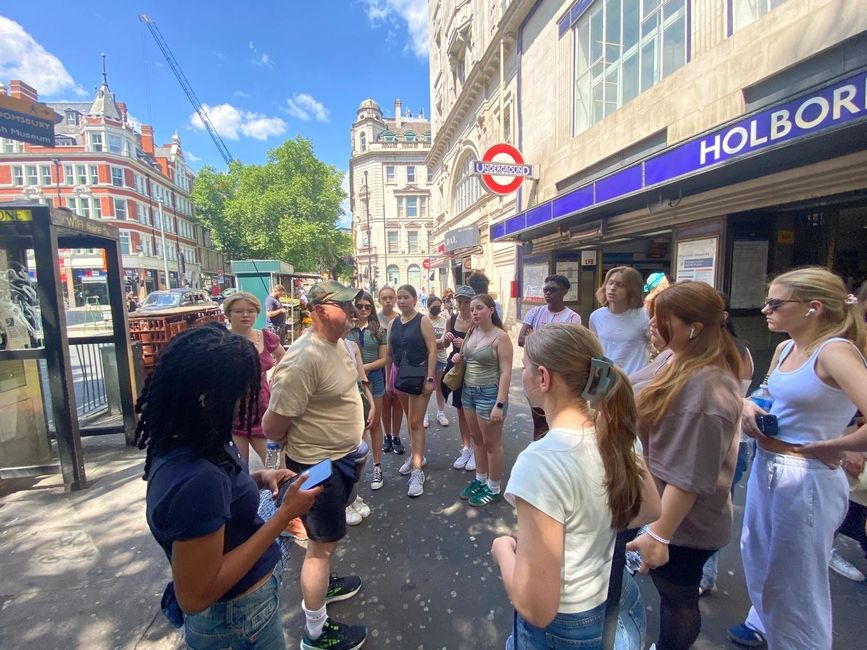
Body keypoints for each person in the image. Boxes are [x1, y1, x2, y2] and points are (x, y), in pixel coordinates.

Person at [136, 323, 322, 649]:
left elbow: (218, 503)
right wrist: (284, 516)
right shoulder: (197, 479)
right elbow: (195, 596)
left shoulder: (197, 438)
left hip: (244, 612)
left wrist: (257, 480)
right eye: (242, 392)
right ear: (212, 397)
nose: (246, 401)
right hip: (236, 621)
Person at [492, 323, 661, 649]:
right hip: (618, 600)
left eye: (525, 367)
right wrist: (592, 525)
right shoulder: (613, 433)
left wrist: (502, 550)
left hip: (567, 629)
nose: (522, 375)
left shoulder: (539, 463)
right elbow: (650, 508)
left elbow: (536, 609)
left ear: (543, 378)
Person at [728, 267, 867, 650]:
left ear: (813, 308)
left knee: (798, 586)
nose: (764, 310)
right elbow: (766, 393)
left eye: (775, 302)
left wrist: (840, 445)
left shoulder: (835, 352)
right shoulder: (786, 348)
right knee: (760, 567)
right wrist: (748, 407)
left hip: (807, 476)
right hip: (766, 466)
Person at [627, 281, 743, 650]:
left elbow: (689, 477)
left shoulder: (707, 386)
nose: (651, 328)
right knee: (670, 594)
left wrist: (660, 534)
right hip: (662, 506)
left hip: (683, 523)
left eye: (661, 320)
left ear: (693, 328)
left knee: (677, 600)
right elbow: (635, 386)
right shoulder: (675, 356)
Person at [262, 280, 368, 650]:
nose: (355, 310)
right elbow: (272, 427)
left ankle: (325, 585)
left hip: (340, 460)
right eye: (346, 305)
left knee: (326, 540)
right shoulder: (303, 357)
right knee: (320, 547)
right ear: (321, 310)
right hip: (318, 467)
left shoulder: (337, 343)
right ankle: (315, 633)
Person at [698, 291, 756, 596]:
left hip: (724, 444)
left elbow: (729, 401)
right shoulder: (737, 349)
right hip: (728, 443)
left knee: (711, 510)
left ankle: (706, 574)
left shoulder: (730, 352)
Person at [454, 294, 513, 506]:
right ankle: (480, 480)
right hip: (469, 392)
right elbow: (468, 356)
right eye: (472, 309)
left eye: (479, 308)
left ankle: (494, 487)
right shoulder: (472, 331)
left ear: (491, 310)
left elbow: (506, 372)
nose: (474, 313)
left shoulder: (501, 337)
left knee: (492, 444)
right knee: (476, 439)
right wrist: (459, 357)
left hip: (490, 394)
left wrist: (499, 404)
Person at [385, 284, 437, 497]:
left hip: (419, 375)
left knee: (416, 421)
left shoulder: (422, 320)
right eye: (399, 297)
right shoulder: (392, 324)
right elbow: (389, 353)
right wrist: (390, 380)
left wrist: (430, 379)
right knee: (410, 420)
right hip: (400, 376)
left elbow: (432, 349)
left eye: (406, 297)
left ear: (415, 299)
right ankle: (417, 455)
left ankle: (417, 470)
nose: (402, 301)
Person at [223, 292, 285, 465]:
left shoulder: (265, 337)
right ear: (228, 314)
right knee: (238, 471)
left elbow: (284, 357)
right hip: (232, 417)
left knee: (275, 466)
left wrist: (275, 381)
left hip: (263, 414)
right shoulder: (220, 341)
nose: (245, 315)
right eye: (239, 311)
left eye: (250, 311)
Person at [518, 275, 582, 440]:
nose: (548, 293)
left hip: (559, 377)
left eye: (552, 290)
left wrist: (534, 339)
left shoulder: (573, 318)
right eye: (546, 290)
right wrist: (552, 344)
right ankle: (538, 452)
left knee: (557, 421)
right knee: (539, 421)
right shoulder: (534, 312)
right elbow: (520, 340)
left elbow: (568, 348)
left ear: (564, 292)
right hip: (535, 377)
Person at [346, 291, 388, 491]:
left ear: (372, 308)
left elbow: (384, 359)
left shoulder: (378, 330)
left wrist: (364, 369)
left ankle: (377, 466)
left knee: (375, 423)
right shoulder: (347, 329)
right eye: (360, 306)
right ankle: (357, 465)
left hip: (375, 380)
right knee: (357, 426)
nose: (363, 309)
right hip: (352, 383)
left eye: (367, 306)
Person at [589, 267, 650, 375]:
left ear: (632, 289)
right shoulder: (596, 316)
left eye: (620, 285)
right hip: (607, 380)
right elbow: (595, 349)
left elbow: (660, 345)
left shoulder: (644, 316)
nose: (612, 288)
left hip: (635, 381)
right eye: (610, 283)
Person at [442, 285, 476, 471]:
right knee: (461, 410)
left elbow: (484, 345)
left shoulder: (477, 320)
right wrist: (446, 339)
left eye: (466, 302)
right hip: (456, 368)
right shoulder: (452, 319)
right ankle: (466, 447)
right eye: (460, 301)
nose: (462, 305)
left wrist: (466, 344)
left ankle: (476, 449)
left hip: (473, 368)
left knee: (473, 410)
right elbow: (443, 343)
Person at [377, 286, 406, 455]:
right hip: (380, 366)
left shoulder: (401, 319)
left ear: (395, 299)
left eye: (391, 297)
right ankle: (387, 435)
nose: (388, 301)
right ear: (380, 300)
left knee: (398, 403)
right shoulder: (375, 319)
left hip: (398, 366)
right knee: (385, 403)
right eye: (384, 298)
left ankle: (396, 436)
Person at [426, 294, 450, 428]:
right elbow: (424, 342)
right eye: (434, 306)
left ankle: (441, 413)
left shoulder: (444, 321)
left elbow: (445, 343)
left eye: (438, 306)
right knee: (426, 387)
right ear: (428, 306)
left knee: (440, 388)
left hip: (441, 359)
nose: (436, 308)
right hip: (427, 359)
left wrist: (436, 343)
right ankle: (424, 415)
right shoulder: (424, 321)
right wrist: (438, 342)